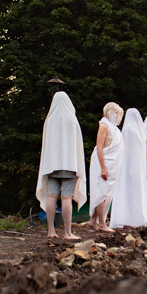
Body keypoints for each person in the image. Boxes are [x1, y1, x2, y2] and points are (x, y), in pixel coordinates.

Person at [34, 78, 86, 240]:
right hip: (69, 165)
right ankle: (68, 232)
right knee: (66, 198)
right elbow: (77, 145)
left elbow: (46, 145)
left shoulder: (49, 120)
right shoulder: (72, 120)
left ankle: (51, 231)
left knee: (51, 196)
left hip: (52, 165)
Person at [87, 102, 124, 232]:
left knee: (107, 193)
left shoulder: (114, 128)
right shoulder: (104, 126)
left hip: (112, 165)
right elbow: (99, 148)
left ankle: (93, 220)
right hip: (102, 163)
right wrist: (103, 168)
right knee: (101, 193)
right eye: (115, 113)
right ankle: (102, 223)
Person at [111, 108, 147, 228]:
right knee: (134, 192)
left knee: (130, 192)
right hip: (135, 166)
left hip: (131, 166)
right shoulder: (136, 131)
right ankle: (131, 219)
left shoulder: (128, 129)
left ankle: (132, 219)